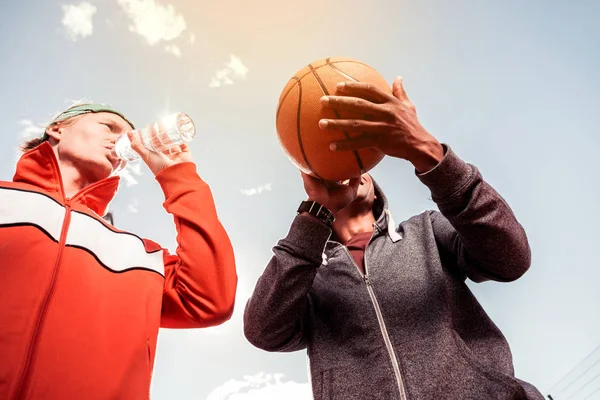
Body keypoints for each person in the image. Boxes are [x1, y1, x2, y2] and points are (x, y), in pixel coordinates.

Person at [243, 78, 544, 399]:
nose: (353, 173)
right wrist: (314, 215)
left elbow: (511, 258)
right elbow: (263, 330)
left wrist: (428, 151)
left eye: (358, 166)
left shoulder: (426, 231)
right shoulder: (309, 278)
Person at [0, 103, 238, 399]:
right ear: (57, 129)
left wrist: (179, 177)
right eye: (108, 127)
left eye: (128, 136)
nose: (119, 140)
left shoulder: (138, 254)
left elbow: (208, 300)